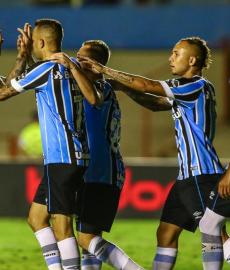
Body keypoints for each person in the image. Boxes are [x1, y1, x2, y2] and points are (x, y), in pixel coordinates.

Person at [80, 36, 229, 270]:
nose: (171, 58)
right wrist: (124, 87)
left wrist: (105, 70)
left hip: (201, 174)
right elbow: (154, 103)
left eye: (176, 54)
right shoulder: (191, 91)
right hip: (186, 178)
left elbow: (147, 86)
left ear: (192, 60)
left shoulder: (194, 85)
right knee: (166, 233)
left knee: (214, 231)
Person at [0, 19, 99, 270]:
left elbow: (1, 93)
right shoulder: (71, 67)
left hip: (62, 157)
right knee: (36, 218)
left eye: (33, 43)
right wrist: (26, 56)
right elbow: (35, 76)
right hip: (74, 155)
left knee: (61, 224)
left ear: (41, 42)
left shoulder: (46, 70)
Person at [50, 41, 143, 270]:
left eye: (81, 58)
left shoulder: (98, 90)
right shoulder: (95, 87)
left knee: (86, 238)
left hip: (100, 172)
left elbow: (93, 98)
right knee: (88, 238)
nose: (75, 61)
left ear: (93, 64)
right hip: (98, 171)